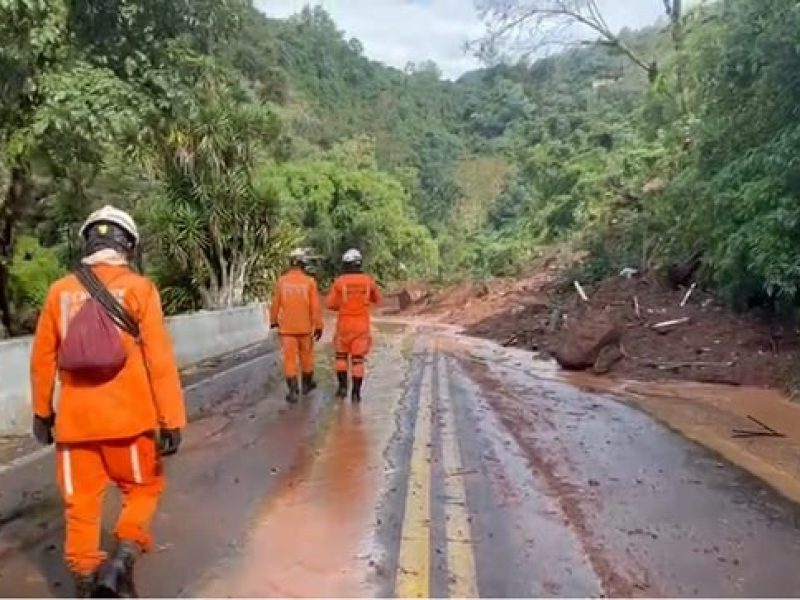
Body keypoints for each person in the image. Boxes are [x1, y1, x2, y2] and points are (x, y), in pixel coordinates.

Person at [29, 205, 186, 598]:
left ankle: (84, 581)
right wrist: (171, 419)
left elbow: (42, 359)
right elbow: (160, 360)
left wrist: (41, 413)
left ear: (87, 242)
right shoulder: (139, 290)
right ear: (127, 246)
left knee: (80, 504)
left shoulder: (59, 291)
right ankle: (122, 559)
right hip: (128, 424)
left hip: (74, 425)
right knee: (143, 491)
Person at [326, 248, 381, 402]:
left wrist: (343, 305)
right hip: (361, 326)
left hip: (344, 325)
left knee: (341, 357)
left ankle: (342, 388)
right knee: (358, 360)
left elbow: (330, 304)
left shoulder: (339, 282)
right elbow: (377, 299)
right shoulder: (368, 281)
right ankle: (356, 394)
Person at [269, 248, 324, 403]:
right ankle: (307, 386)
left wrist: (273, 322)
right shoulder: (309, 282)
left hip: (287, 329)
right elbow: (315, 307)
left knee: (289, 360)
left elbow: (275, 305)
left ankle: (293, 392)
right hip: (305, 328)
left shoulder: (281, 281)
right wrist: (318, 326)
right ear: (303, 264)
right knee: (306, 357)